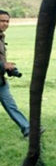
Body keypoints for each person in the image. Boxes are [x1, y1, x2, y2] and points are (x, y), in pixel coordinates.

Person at [0, 10, 31, 138]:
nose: (5, 24)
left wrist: (7, 68)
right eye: (2, 21)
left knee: (12, 107)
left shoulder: (1, 37)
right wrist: (3, 66)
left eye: (7, 21)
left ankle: (28, 130)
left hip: (1, 81)